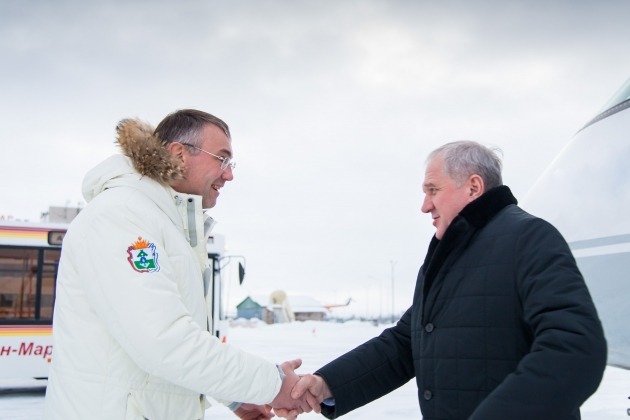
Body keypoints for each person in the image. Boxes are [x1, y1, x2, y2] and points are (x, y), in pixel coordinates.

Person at [286, 141, 607, 419]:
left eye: (433, 190)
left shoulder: (530, 238)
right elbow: (405, 343)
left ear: (473, 187)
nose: (425, 206)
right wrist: (327, 383)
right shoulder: (446, 257)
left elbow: (575, 349)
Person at [44, 109, 311, 419]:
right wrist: (272, 385)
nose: (229, 174)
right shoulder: (123, 216)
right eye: (222, 159)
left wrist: (236, 397)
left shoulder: (162, 223)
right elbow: (164, 341)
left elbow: (167, 343)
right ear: (179, 153)